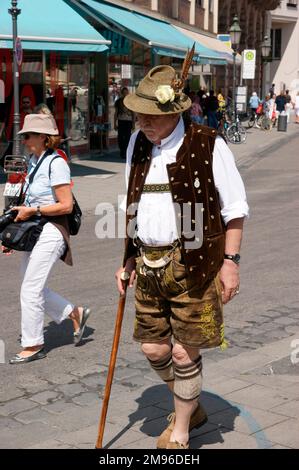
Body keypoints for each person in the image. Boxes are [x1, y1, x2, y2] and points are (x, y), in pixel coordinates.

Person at [115, 65, 249, 449]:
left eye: (150, 115)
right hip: (148, 262)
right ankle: (191, 400)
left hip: (194, 263)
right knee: (153, 348)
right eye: (137, 113)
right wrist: (126, 259)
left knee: (182, 349)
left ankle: (181, 430)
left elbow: (235, 208)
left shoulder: (208, 143)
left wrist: (231, 262)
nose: (142, 121)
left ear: (174, 111)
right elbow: (132, 204)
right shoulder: (136, 143)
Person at [7, 114, 91, 364]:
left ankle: (33, 344)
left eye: (29, 135)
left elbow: (65, 206)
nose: (24, 139)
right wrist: (11, 233)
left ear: (44, 137)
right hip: (35, 229)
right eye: (24, 135)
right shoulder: (33, 162)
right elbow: (28, 201)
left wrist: (35, 211)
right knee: (32, 285)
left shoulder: (56, 163)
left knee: (30, 289)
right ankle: (74, 313)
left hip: (53, 229)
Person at [114, 87, 135, 159]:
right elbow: (116, 113)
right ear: (122, 93)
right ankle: (122, 151)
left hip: (128, 121)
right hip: (121, 121)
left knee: (127, 137)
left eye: (126, 92)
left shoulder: (130, 102)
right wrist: (114, 123)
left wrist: (133, 123)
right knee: (120, 137)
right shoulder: (118, 101)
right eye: (124, 93)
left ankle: (126, 152)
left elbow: (133, 113)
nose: (125, 94)